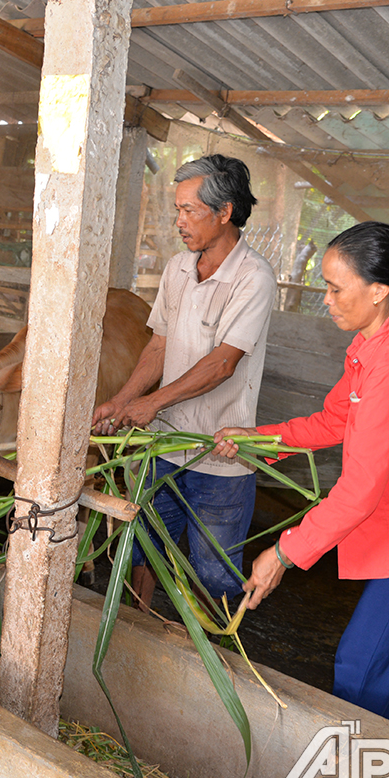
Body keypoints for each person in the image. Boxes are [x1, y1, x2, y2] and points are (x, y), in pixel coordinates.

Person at [213, 221, 389, 722]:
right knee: (371, 668)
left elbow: (359, 490)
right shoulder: (373, 345)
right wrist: (258, 439)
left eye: (336, 289)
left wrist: (283, 553)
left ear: (378, 290)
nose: (327, 300)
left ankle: (360, 767)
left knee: (362, 668)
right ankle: (376, 764)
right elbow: (334, 420)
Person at [92, 154, 276, 609]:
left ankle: (211, 645)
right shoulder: (177, 268)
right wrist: (122, 400)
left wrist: (153, 403)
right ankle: (136, 624)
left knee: (213, 572)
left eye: (189, 210)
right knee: (143, 547)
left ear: (225, 211)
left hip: (221, 455)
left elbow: (223, 363)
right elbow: (159, 346)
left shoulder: (253, 277)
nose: (179, 221)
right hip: (164, 446)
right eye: (178, 209)